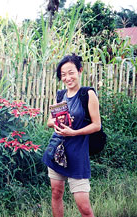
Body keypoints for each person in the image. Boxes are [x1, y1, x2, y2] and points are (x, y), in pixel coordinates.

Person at [42, 54, 101, 217]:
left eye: (71, 72)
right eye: (63, 75)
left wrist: (74, 132)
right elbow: (49, 122)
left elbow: (97, 125)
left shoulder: (87, 94)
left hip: (78, 154)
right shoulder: (60, 95)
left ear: (79, 71)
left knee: (84, 208)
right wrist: (59, 123)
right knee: (56, 193)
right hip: (57, 151)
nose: (67, 78)